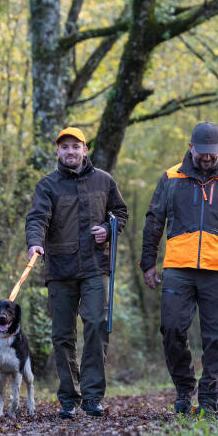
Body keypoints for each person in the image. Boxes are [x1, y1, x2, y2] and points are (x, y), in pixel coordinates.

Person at [140, 121, 218, 415]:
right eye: (201, 152)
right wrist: (148, 263)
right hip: (178, 267)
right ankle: (184, 388)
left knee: (215, 338)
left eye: (212, 152)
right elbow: (154, 221)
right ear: (191, 147)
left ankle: (209, 397)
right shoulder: (171, 177)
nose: (206, 158)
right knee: (171, 329)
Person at [26, 127, 128, 419]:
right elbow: (37, 218)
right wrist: (35, 243)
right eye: (65, 147)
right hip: (60, 268)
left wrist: (108, 230)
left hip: (96, 267)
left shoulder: (104, 181)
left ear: (85, 150)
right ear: (57, 152)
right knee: (62, 335)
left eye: (76, 146)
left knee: (96, 325)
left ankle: (93, 397)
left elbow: (121, 214)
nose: (70, 151)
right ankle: (69, 399)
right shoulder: (47, 185)